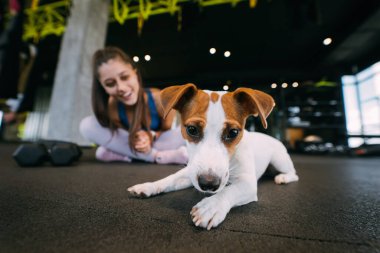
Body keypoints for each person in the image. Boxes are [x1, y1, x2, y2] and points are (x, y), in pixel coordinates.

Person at [79, 46, 188, 164]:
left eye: (125, 77)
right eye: (110, 84)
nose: (121, 88)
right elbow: (122, 137)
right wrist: (137, 138)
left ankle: (127, 156)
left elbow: (166, 130)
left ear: (135, 73)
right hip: (134, 144)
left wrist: (150, 136)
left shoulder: (159, 99)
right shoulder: (112, 105)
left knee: (187, 131)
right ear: (103, 88)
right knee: (87, 125)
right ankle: (158, 157)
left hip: (159, 141)